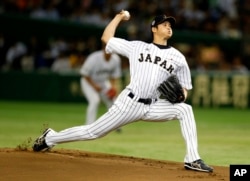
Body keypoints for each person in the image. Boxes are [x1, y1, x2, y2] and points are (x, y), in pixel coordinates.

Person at [33, 11, 213, 173]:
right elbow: (106, 38)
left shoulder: (178, 57)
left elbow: (185, 87)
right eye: (164, 24)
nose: (168, 27)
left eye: (170, 25)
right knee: (93, 132)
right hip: (129, 103)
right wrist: (119, 17)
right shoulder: (137, 47)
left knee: (185, 109)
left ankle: (192, 159)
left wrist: (181, 96)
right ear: (154, 29)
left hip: (153, 106)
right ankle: (50, 138)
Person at [79, 48, 122, 125]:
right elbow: (84, 74)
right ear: (103, 50)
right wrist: (94, 85)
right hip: (88, 82)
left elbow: (114, 76)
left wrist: (112, 87)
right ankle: (89, 125)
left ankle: (115, 125)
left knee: (113, 101)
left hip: (103, 82)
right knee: (95, 100)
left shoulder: (115, 59)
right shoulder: (94, 58)